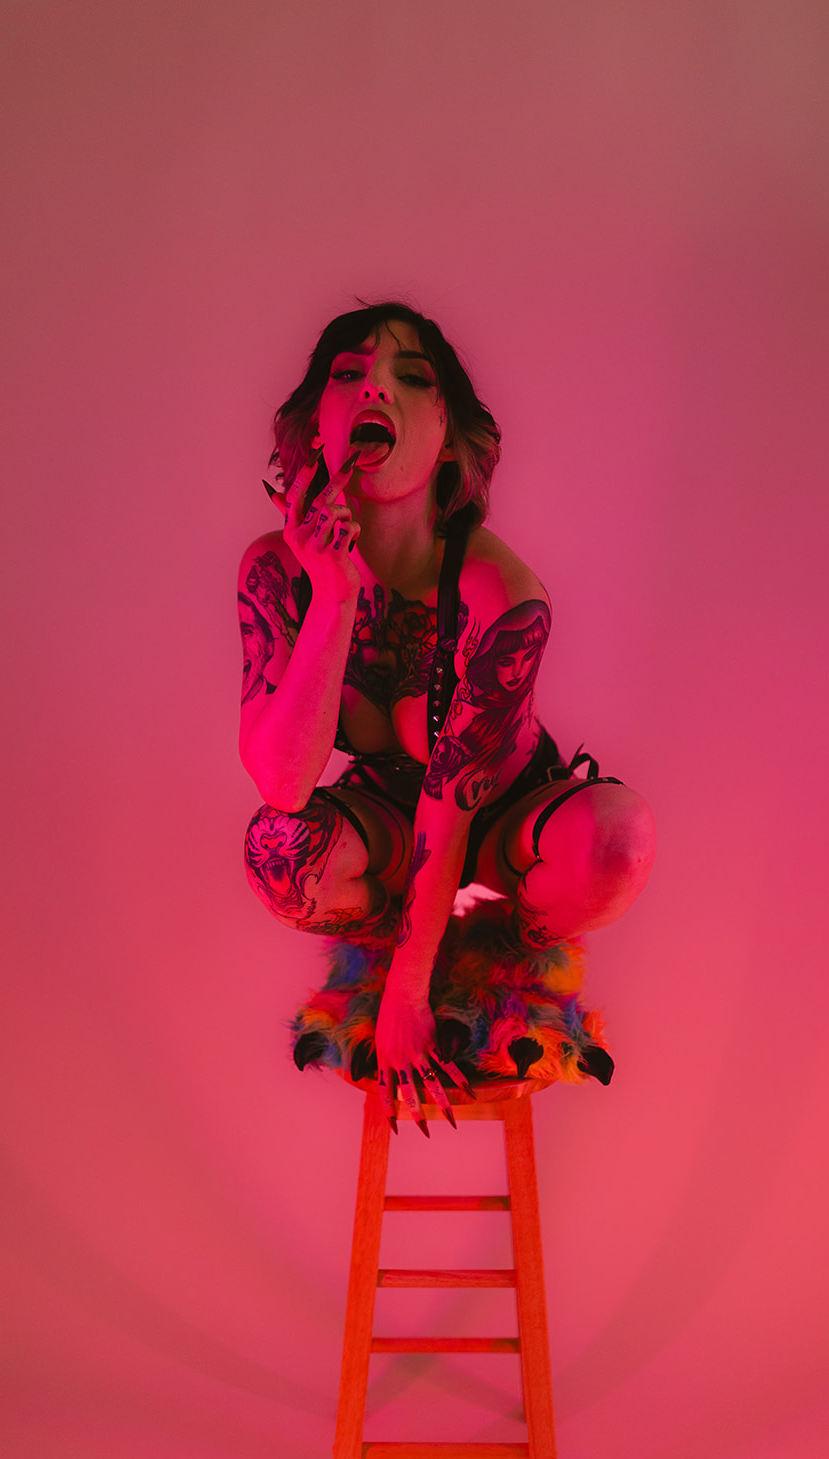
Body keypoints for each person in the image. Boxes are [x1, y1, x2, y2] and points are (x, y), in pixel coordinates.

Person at [239, 301, 655, 1127]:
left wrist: (410, 989)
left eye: (410, 377)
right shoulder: (275, 570)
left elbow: (456, 793)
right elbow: (283, 783)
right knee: (275, 854)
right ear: (315, 423)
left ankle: (506, 961)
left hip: (504, 818)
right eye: (349, 374)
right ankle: (415, 926)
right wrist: (333, 596)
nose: (376, 391)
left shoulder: (500, 593)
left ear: (449, 433)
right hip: (387, 818)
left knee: (619, 837)